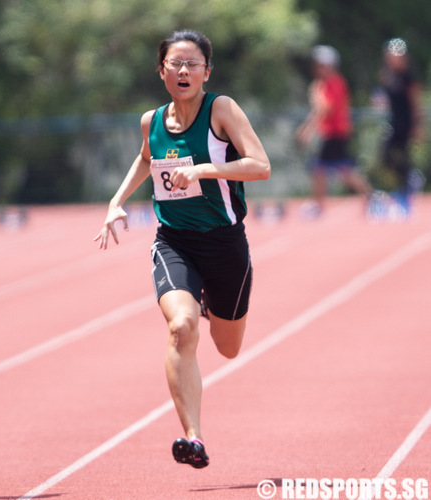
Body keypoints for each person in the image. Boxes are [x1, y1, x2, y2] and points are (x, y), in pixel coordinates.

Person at [94, 30, 270, 468]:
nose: (184, 71)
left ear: (207, 72)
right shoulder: (150, 120)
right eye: (175, 63)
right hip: (174, 242)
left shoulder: (222, 109)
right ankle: (192, 435)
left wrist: (207, 170)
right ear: (161, 72)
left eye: (193, 64)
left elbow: (261, 166)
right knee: (181, 327)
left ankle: (212, 302)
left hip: (225, 244)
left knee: (227, 347)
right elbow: (145, 159)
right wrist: (116, 203)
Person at [296, 45, 372, 218]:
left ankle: (319, 205)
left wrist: (306, 130)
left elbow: (324, 109)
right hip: (334, 133)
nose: (318, 68)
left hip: (336, 133)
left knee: (327, 169)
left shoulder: (332, 83)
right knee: (337, 169)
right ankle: (370, 198)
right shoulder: (328, 83)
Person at [379, 37, 425, 213]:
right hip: (393, 122)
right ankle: (409, 181)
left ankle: (406, 190)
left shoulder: (409, 77)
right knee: (386, 155)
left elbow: (416, 103)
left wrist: (417, 126)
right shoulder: (388, 75)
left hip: (406, 123)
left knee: (403, 156)